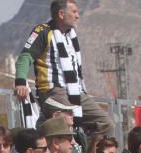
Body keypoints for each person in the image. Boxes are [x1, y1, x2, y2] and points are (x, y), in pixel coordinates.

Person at [14, 0, 111, 137]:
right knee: (65, 122)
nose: (78, 15)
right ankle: (43, 136)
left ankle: (84, 152)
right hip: (53, 91)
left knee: (105, 123)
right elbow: (25, 57)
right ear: (61, 13)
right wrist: (20, 83)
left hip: (75, 92)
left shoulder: (71, 36)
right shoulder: (43, 31)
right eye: (74, 12)